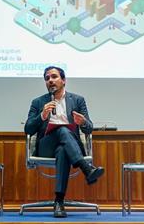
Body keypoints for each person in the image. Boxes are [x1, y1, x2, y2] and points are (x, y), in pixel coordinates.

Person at [25, 66, 104, 218]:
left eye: (54, 77)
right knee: (62, 130)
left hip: (69, 146)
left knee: (63, 149)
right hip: (46, 146)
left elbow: (89, 129)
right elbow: (28, 129)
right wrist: (42, 115)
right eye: (47, 78)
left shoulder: (77, 100)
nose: (50, 81)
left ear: (63, 80)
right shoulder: (38, 102)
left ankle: (59, 201)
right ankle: (86, 169)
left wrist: (82, 122)